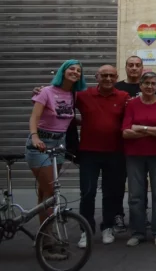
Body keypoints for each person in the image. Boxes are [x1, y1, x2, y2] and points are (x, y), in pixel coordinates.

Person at [25, 60, 86, 260]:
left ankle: (42, 237)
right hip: (40, 145)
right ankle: (48, 243)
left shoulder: (73, 95)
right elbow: (34, 117)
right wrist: (35, 137)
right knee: (51, 192)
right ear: (63, 71)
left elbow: (67, 117)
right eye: (71, 69)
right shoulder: (46, 91)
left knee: (45, 193)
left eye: (78, 70)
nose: (75, 72)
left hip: (59, 146)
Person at [75, 65, 129, 249]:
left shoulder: (123, 96)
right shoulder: (83, 95)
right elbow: (62, 104)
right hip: (89, 153)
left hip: (115, 153)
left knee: (111, 193)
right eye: (104, 75)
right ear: (96, 77)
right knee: (87, 192)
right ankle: (86, 230)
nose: (108, 78)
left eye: (111, 75)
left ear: (116, 77)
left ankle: (108, 227)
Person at [122, 72, 156, 247]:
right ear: (140, 85)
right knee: (135, 195)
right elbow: (126, 132)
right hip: (134, 155)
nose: (150, 86)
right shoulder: (131, 104)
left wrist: (140, 128)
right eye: (146, 83)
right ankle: (137, 232)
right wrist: (151, 130)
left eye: (153, 83)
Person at [113, 55, 144, 232]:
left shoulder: (148, 86)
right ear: (125, 67)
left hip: (141, 143)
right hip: (119, 143)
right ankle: (118, 215)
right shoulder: (116, 87)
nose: (134, 68)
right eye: (130, 65)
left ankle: (140, 217)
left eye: (137, 65)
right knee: (118, 181)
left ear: (142, 68)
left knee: (140, 183)